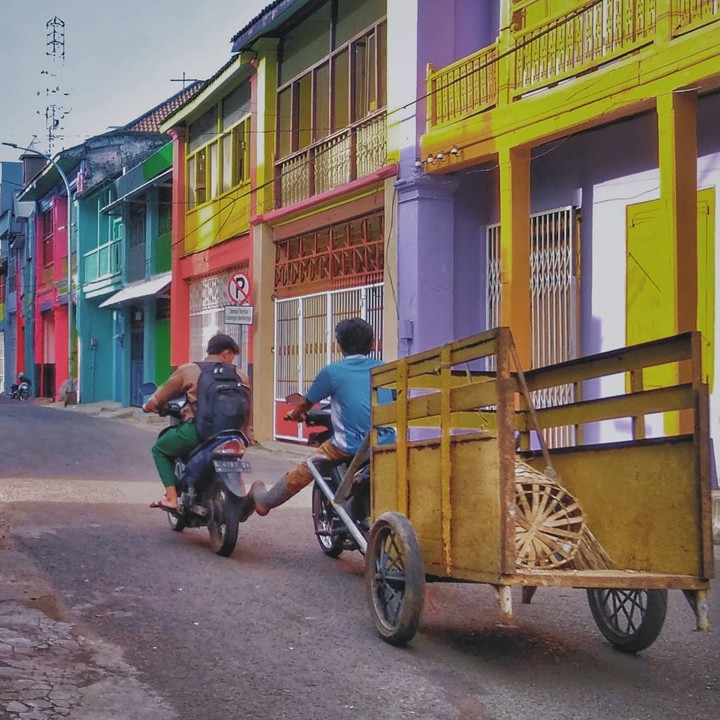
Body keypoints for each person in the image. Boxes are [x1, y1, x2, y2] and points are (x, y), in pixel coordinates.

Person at [250, 317, 391, 516]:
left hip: (349, 446)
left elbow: (306, 402)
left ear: (340, 345)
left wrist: (294, 414)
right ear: (372, 343)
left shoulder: (332, 372)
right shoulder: (386, 369)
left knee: (307, 466)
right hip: (388, 443)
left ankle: (266, 502)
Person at [142, 333, 251, 511]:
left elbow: (162, 394)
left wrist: (149, 406)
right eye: (232, 356)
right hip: (233, 434)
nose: (232, 361)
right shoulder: (240, 375)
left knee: (159, 449)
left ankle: (171, 498)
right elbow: (247, 406)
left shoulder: (190, 370)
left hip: (199, 432)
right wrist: (247, 434)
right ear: (225, 353)